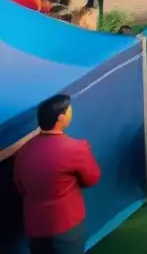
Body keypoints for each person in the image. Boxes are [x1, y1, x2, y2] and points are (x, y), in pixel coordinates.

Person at [14, 94, 101, 254]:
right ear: (61, 118)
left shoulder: (24, 151)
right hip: (65, 224)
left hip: (34, 224)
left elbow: (20, 185)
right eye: (69, 110)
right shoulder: (76, 149)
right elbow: (92, 178)